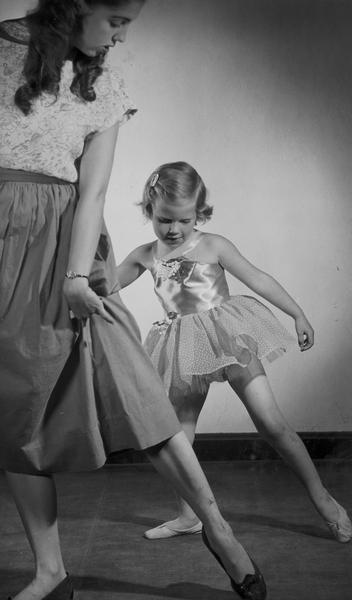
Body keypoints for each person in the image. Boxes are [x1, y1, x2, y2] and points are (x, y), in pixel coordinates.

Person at [0, 4, 266, 600]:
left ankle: (215, 526)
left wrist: (76, 276)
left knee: (135, 392)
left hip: (59, 245)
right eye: (116, 17)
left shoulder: (103, 84)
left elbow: (91, 191)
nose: (122, 34)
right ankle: (51, 572)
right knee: (14, 406)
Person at [115, 160, 352, 543]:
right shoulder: (144, 254)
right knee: (179, 436)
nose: (174, 229)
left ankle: (324, 499)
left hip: (229, 336)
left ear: (198, 214)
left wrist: (298, 314)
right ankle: (188, 515)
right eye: (164, 220)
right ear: (149, 212)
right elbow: (105, 285)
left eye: (184, 220)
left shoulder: (213, 245)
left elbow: (258, 278)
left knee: (271, 424)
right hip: (182, 346)